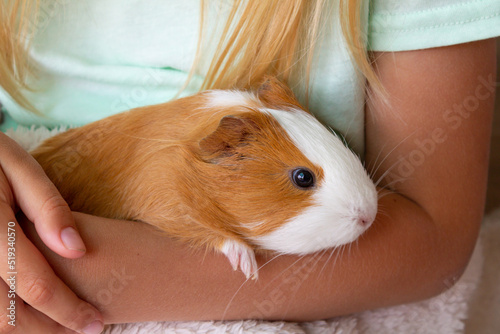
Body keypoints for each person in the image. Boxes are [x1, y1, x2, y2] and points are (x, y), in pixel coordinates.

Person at [0, 1, 498, 333]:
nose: (365, 209)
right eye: (303, 179)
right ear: (225, 149)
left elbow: (432, 239)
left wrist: (85, 274)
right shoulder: (190, 162)